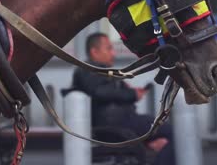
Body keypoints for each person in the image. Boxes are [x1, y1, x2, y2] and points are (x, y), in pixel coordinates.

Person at [72, 32, 175, 165]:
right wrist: (132, 94)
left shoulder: (101, 72)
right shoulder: (86, 70)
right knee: (172, 133)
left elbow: (107, 90)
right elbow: (99, 92)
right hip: (118, 124)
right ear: (95, 51)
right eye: (108, 48)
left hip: (125, 122)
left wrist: (128, 90)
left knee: (165, 135)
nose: (113, 53)